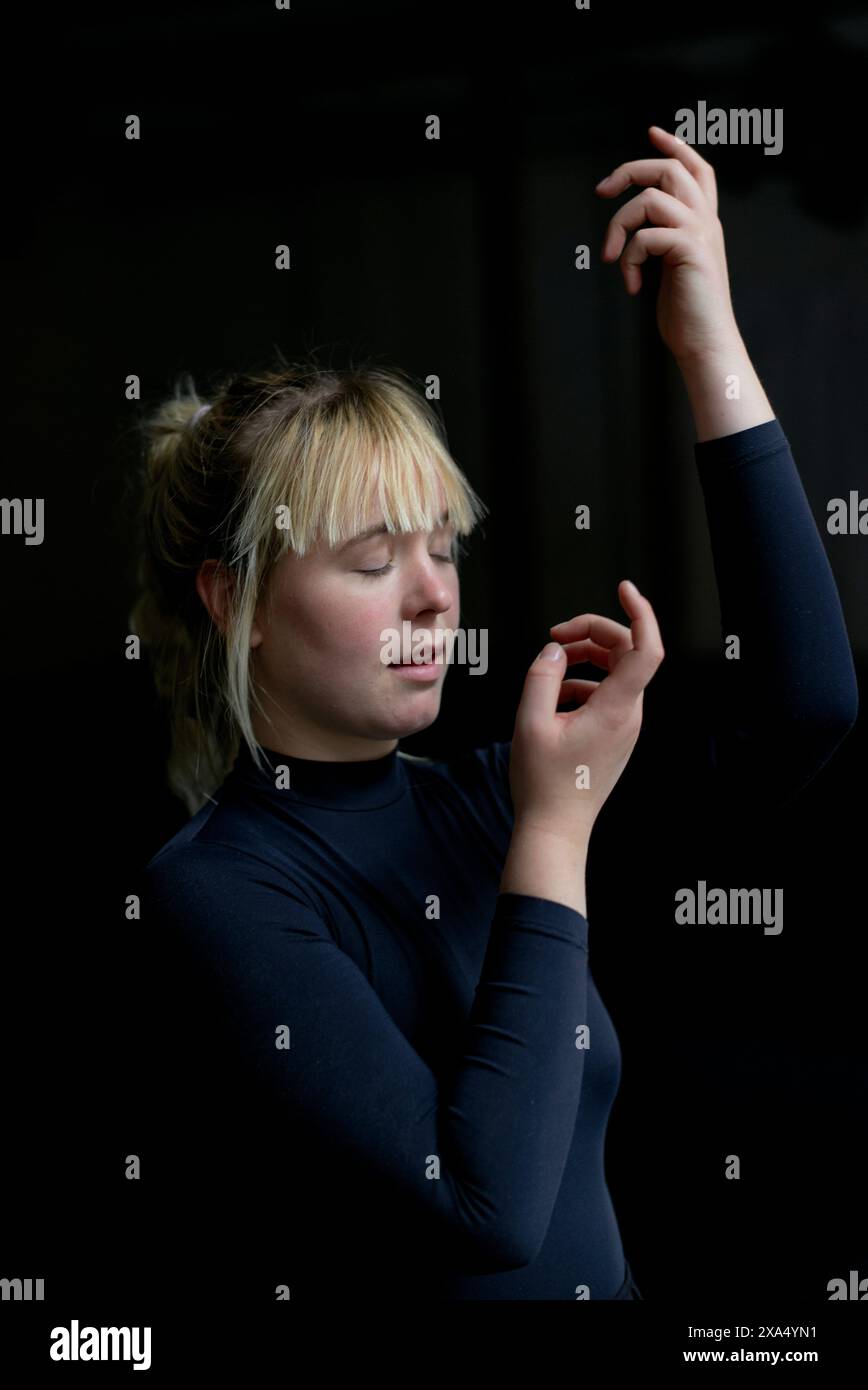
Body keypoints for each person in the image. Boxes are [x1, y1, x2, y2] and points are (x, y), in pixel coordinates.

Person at [132, 135, 858, 1303]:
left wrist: (705, 340)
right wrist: (557, 831)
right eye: (374, 560)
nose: (434, 593)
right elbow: (482, 1206)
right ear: (239, 603)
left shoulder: (483, 799)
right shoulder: (218, 891)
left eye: (441, 548)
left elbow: (805, 709)